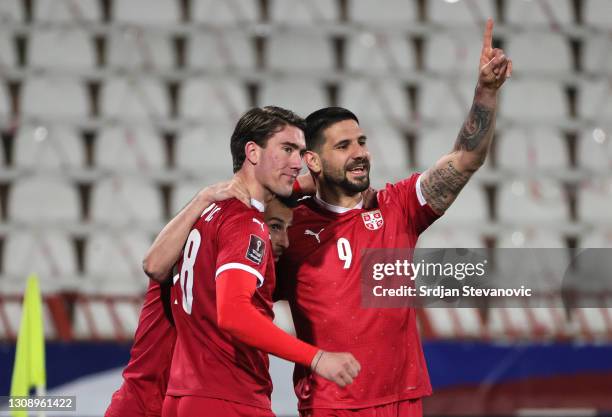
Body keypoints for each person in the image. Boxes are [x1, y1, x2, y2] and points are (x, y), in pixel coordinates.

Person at [276, 18, 511, 417]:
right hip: (331, 406)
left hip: (402, 401)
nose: (360, 152)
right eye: (344, 145)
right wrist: (295, 190)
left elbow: (466, 158)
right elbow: (244, 308)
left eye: (362, 142)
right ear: (312, 160)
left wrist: (485, 92)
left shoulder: (396, 207)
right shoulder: (288, 228)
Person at [147, 106, 360, 417]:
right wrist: (317, 359)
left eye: (300, 152)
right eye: (287, 149)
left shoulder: (207, 211)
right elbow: (234, 314)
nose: (296, 163)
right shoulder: (247, 224)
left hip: (183, 396)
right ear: (252, 152)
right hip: (229, 398)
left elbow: (154, 265)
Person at [105, 179, 254, 417]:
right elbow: (152, 264)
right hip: (146, 402)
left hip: (173, 402)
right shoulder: (180, 260)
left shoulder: (228, 275)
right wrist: (204, 197)